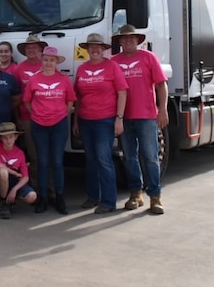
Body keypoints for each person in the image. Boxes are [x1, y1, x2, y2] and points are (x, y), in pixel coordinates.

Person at [112, 25, 169, 214]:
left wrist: (163, 110)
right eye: (124, 38)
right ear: (120, 41)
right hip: (124, 118)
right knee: (129, 158)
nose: (128, 41)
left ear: (138, 40)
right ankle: (136, 194)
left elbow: (161, 85)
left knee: (151, 157)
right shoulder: (114, 62)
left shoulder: (148, 57)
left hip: (146, 117)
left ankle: (155, 197)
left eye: (131, 38)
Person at [73, 33, 128, 214]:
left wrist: (119, 118)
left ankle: (109, 201)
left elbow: (122, 92)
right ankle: (93, 197)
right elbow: (78, 98)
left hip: (105, 120)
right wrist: (76, 121)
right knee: (90, 160)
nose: (94, 50)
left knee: (104, 159)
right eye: (91, 47)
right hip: (85, 120)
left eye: (98, 47)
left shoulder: (112, 66)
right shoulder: (81, 69)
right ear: (87, 50)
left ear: (103, 49)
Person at [23, 46, 76, 214]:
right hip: (39, 125)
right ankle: (43, 198)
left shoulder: (64, 79)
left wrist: (60, 114)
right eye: (45, 59)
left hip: (58, 125)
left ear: (56, 62)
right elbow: (27, 101)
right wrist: (38, 113)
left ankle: (60, 198)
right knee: (43, 162)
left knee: (58, 162)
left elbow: (70, 101)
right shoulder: (34, 79)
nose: (48, 63)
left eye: (51, 60)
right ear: (42, 60)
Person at [13, 33, 47, 176]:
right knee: (33, 154)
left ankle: (49, 189)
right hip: (27, 117)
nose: (31, 50)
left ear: (40, 49)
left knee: (46, 154)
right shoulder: (19, 69)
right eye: (28, 48)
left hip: (47, 117)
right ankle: (35, 186)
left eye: (34, 47)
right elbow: (16, 97)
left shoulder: (47, 65)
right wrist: (18, 118)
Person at [0, 122, 38, 219]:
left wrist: (14, 189)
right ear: (0, 138)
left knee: (32, 196)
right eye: (5, 137)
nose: (8, 140)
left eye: (11, 137)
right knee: (3, 173)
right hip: (0, 180)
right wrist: (14, 172)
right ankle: (4, 202)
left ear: (16, 137)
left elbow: (25, 177)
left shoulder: (20, 153)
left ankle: (12, 199)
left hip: (14, 181)